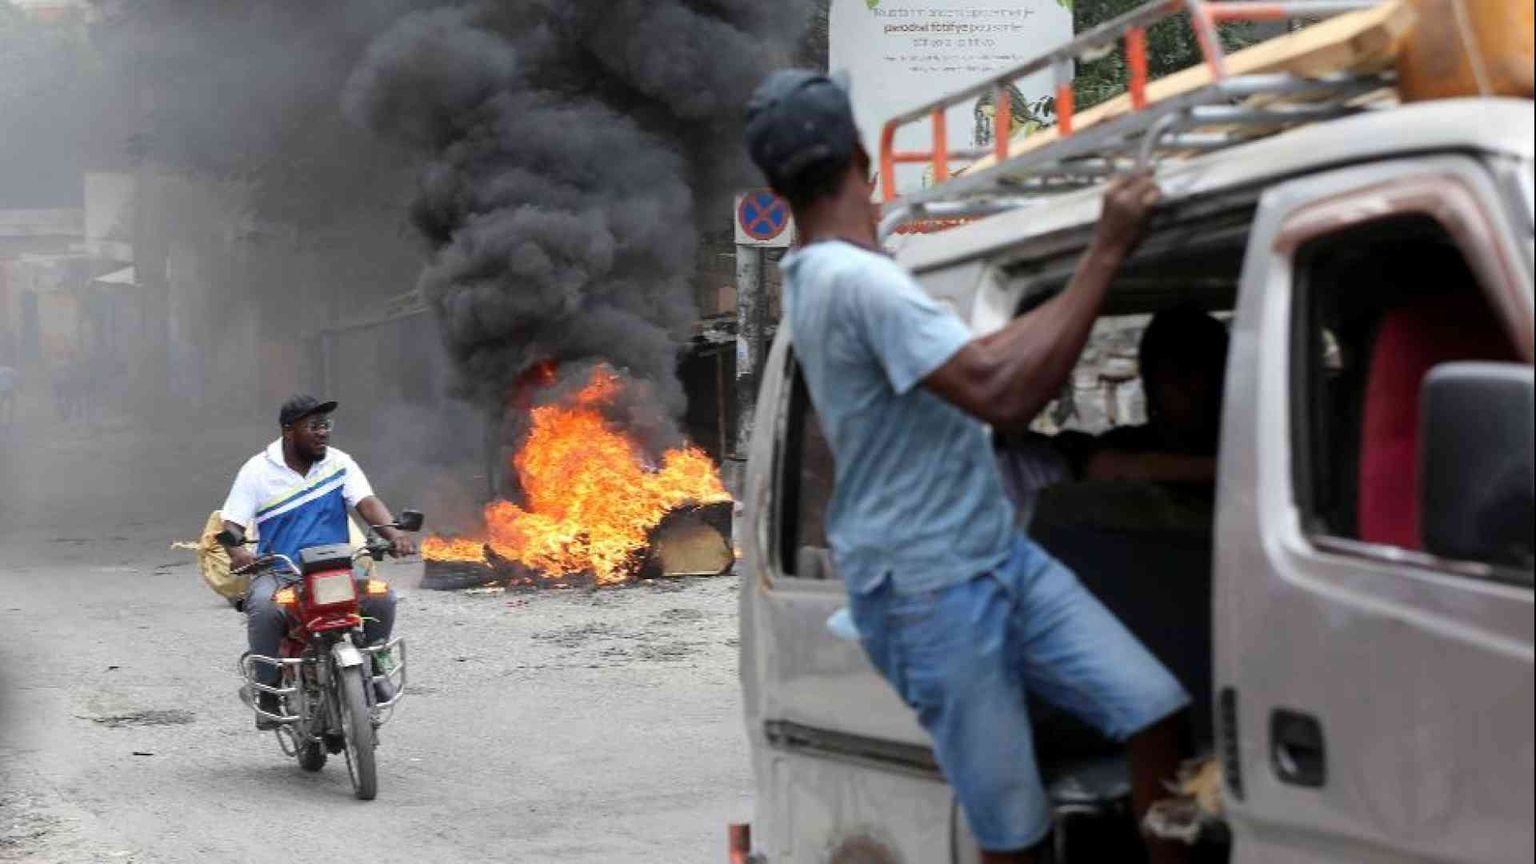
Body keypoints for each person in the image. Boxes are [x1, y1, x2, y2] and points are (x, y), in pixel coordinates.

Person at [745, 70, 1189, 863]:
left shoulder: (824, 278)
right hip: (929, 594)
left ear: (775, 187)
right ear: (860, 155)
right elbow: (1003, 393)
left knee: (1153, 708)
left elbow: (978, 363)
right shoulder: (859, 282)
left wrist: (1088, 271)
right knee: (1014, 835)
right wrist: (1108, 250)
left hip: (996, 556)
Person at [218, 395, 417, 729]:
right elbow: (232, 523)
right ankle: (267, 690)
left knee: (382, 597)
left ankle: (375, 663)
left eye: (326, 425)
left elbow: (367, 503)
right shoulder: (258, 470)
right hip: (282, 571)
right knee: (265, 608)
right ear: (288, 431)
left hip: (335, 570)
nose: (323, 432)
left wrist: (394, 533)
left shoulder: (339, 463)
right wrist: (239, 553)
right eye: (314, 426)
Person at [996, 305, 1229, 520]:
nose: (1196, 388)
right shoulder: (1125, 444)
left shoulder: (1246, 443)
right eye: (1179, 376)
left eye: (1207, 373)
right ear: (1151, 382)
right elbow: (1108, 469)